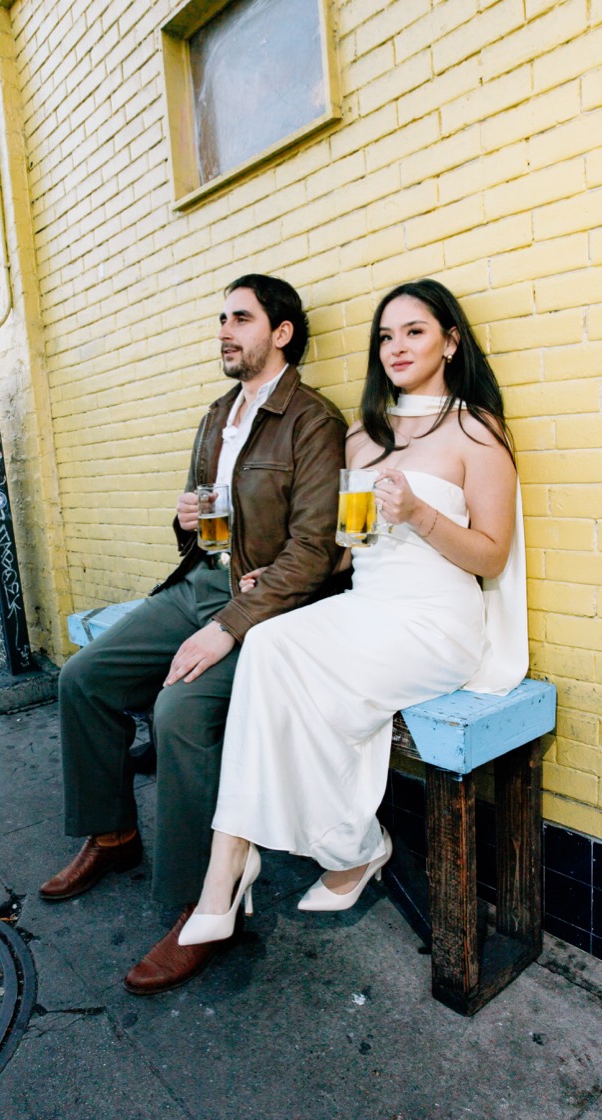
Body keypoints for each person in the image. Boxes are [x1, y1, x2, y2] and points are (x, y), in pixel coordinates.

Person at [178, 278, 524, 952]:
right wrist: (269, 573)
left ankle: (316, 856)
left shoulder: (475, 431)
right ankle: (257, 856)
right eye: (385, 336)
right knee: (270, 645)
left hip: (435, 622)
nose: (396, 347)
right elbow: (351, 547)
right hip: (368, 606)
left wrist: (421, 514)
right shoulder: (365, 437)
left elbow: (490, 556)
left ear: (451, 341)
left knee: (288, 675)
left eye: (415, 331)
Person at [37, 275, 348, 995]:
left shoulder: (312, 422)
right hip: (202, 582)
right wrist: (182, 520)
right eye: (221, 319)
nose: (225, 331)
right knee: (83, 678)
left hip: (267, 602)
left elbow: (313, 551)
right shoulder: (217, 414)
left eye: (241, 319)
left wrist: (229, 629)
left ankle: (199, 903)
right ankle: (113, 834)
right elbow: (201, 515)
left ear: (282, 333)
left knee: (180, 710)